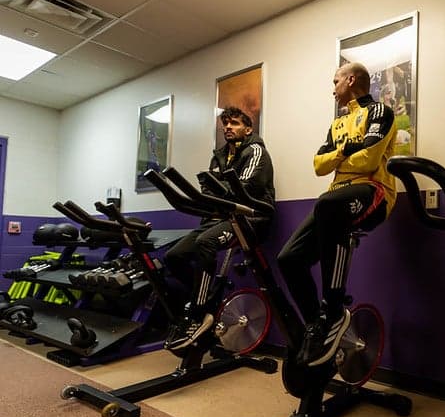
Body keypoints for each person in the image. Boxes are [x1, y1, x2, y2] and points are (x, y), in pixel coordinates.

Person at [278, 62, 397, 367]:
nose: (333, 88)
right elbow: (318, 165)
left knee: (328, 205)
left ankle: (333, 309)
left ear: (351, 79)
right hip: (335, 197)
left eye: (336, 81)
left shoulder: (381, 112)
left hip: (374, 192)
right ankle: (317, 325)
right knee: (288, 259)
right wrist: (345, 151)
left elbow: (369, 159)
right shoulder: (338, 125)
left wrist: (338, 159)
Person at [164, 106, 275, 351]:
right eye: (225, 123)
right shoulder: (219, 156)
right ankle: (202, 295)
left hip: (251, 219)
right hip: (219, 218)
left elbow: (248, 187)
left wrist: (221, 186)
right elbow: (207, 190)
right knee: (174, 257)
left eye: (234, 123)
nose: (228, 127)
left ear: (248, 129)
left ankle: (199, 312)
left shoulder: (256, 151)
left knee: (206, 243)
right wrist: (220, 188)